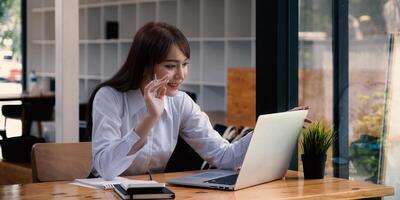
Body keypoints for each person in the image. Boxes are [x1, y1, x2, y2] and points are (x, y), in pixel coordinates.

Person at [88, 22, 307, 180]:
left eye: (184, 64)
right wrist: (150, 118)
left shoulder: (180, 102)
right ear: (146, 66)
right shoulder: (109, 98)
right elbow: (107, 170)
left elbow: (224, 156)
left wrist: (270, 129)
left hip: (150, 193)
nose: (181, 75)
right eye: (171, 66)